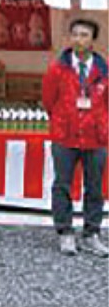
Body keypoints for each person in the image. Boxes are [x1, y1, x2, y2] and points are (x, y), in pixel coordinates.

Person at [42, 17, 108, 257]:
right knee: (62, 184)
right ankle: (65, 232)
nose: (79, 39)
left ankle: (92, 233)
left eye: (84, 35)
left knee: (95, 187)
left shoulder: (104, 70)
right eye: (75, 34)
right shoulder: (57, 69)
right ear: (70, 38)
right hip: (65, 136)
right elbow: (49, 101)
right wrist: (62, 121)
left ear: (93, 40)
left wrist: (102, 125)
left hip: (96, 138)